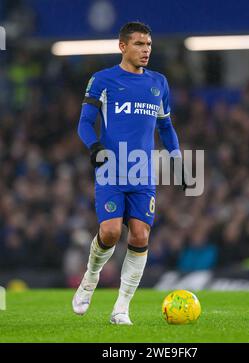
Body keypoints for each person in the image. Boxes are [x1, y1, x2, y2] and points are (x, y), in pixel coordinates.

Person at [72, 21, 187, 325]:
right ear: (122, 46)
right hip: (112, 168)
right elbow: (84, 122)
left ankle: (121, 308)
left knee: (140, 234)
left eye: (148, 44)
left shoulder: (159, 83)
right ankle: (90, 277)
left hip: (142, 172)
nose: (145, 50)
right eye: (138, 44)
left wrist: (177, 159)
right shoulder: (103, 80)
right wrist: (94, 146)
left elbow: (166, 126)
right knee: (110, 232)